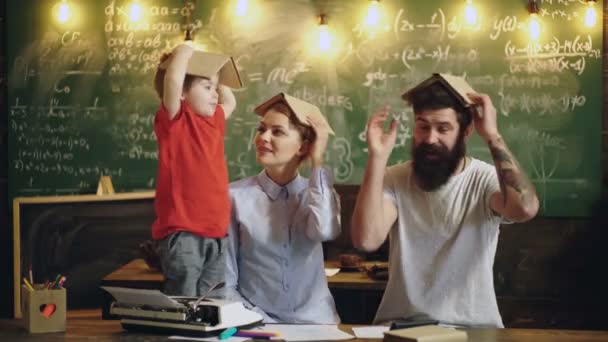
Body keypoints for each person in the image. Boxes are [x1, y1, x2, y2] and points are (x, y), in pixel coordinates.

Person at [351, 77, 539, 328]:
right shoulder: (395, 178)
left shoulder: (483, 180)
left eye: (443, 128)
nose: (430, 138)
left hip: (473, 328)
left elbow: (525, 208)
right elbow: (366, 239)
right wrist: (377, 157)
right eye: (423, 126)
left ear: (466, 131)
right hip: (402, 326)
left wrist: (492, 135)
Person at [224, 93, 341, 323]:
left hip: (317, 324)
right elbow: (226, 281)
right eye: (261, 129)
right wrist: (258, 321)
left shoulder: (316, 193)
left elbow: (326, 230)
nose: (263, 137)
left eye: (277, 132)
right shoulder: (234, 197)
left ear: (302, 147)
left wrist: (317, 159)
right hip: (259, 324)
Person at [151, 43, 240, 297]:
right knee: (184, 299)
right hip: (184, 232)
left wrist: (214, 72)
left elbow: (230, 100)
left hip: (217, 233)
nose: (215, 95)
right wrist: (185, 51)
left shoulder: (214, 123)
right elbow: (174, 79)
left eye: (215, 88)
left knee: (213, 301)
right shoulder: (176, 120)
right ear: (181, 93)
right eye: (207, 87)